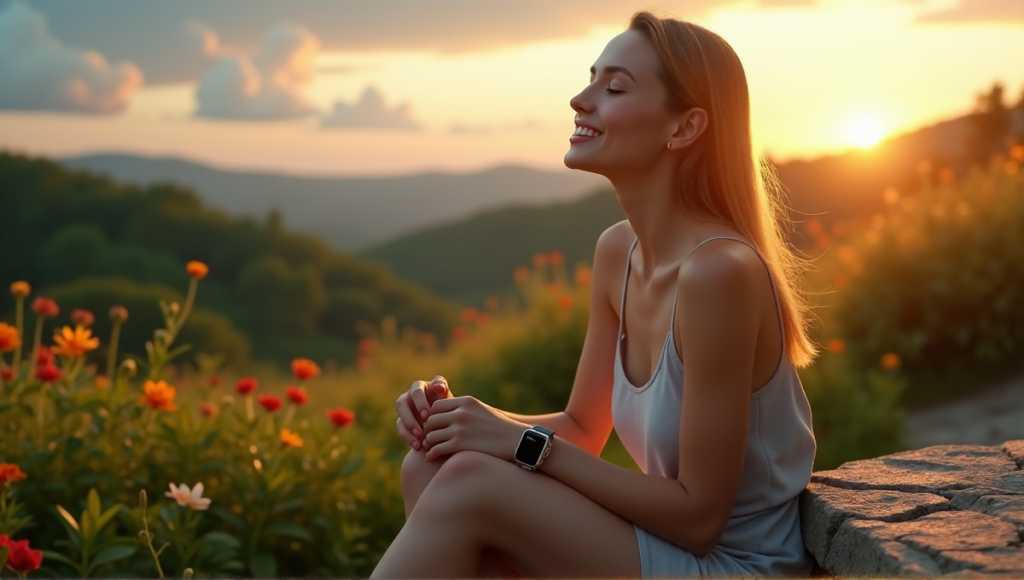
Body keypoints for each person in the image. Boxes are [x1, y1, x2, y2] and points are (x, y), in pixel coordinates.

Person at [371, 10, 818, 579]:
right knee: (431, 463)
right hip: (670, 550)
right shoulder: (618, 251)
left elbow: (698, 519)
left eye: (614, 88)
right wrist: (462, 419)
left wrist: (514, 441)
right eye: (591, 80)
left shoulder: (718, 274)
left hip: (736, 564)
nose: (580, 100)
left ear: (684, 128)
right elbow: (584, 426)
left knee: (468, 480)